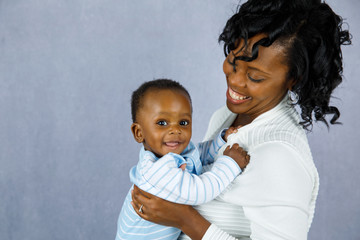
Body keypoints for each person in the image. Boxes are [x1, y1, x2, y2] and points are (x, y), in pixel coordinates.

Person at [130, 0, 352, 239]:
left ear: (293, 79)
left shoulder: (280, 156)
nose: (235, 81)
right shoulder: (226, 116)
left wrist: (183, 219)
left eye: (255, 76)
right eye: (233, 61)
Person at [115, 79, 250, 240]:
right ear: (139, 132)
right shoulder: (157, 171)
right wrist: (230, 163)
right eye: (162, 123)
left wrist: (221, 140)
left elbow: (198, 154)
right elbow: (201, 191)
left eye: (183, 122)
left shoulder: (171, 153)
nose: (175, 130)